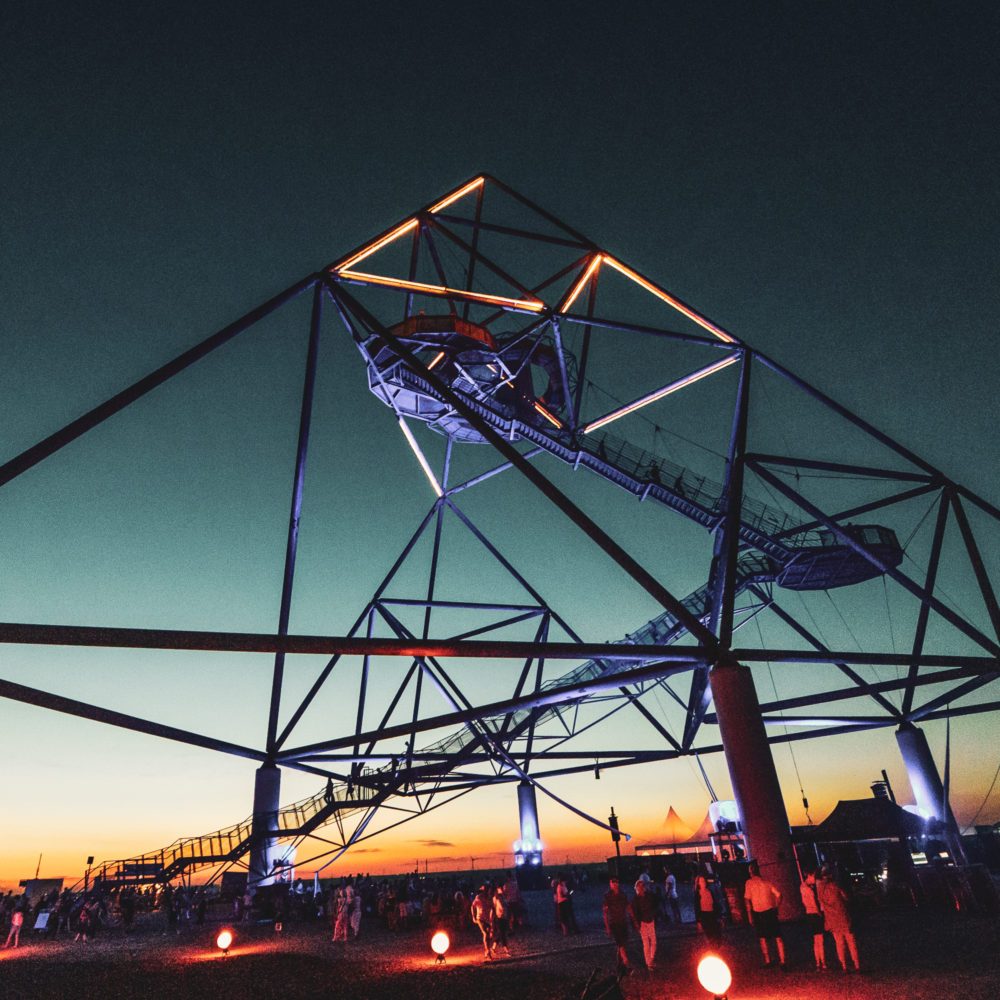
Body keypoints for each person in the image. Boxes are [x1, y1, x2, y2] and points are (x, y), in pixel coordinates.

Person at [817, 866, 861, 972]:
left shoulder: (820, 891)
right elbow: (846, 897)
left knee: (839, 943)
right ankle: (857, 965)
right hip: (843, 917)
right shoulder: (836, 886)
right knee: (851, 942)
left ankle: (844, 966)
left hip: (832, 920)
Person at [743, 861, 786, 969]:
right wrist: (776, 906)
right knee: (778, 936)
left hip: (758, 913)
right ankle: (783, 960)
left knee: (762, 937)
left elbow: (747, 900)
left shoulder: (749, 883)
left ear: (750, 872)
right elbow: (779, 895)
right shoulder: (767, 882)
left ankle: (768, 960)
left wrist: (749, 916)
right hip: (770, 911)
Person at [602, 875, 633, 977]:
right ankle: (627, 964)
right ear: (610, 884)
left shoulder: (622, 895)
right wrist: (607, 926)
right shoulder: (607, 896)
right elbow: (605, 912)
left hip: (623, 922)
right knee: (620, 944)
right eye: (612, 882)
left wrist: (633, 919)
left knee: (622, 945)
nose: (615, 884)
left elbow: (628, 907)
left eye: (616, 882)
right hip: (614, 923)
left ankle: (619, 966)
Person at [629, 879, 658, 973]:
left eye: (643, 886)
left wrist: (654, 915)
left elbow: (655, 904)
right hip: (642, 923)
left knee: (653, 942)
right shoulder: (635, 900)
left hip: (650, 920)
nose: (641, 888)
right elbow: (633, 913)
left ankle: (651, 959)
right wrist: (636, 925)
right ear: (636, 888)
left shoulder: (649, 896)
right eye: (639, 886)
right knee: (646, 943)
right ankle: (649, 963)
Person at [800, 871, 826, 970]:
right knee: (820, 939)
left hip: (809, 914)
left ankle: (818, 962)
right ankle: (823, 962)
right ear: (809, 875)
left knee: (816, 940)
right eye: (814, 876)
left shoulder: (802, 886)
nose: (814, 879)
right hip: (815, 914)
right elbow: (813, 902)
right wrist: (819, 912)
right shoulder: (809, 889)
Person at [694, 867, 722, 946]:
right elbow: (696, 907)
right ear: (699, 883)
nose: (703, 882)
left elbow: (715, 903)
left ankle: (716, 948)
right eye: (701, 881)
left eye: (703, 881)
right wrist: (698, 921)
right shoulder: (698, 894)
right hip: (704, 915)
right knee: (709, 934)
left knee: (716, 933)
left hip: (712, 914)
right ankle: (711, 949)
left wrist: (719, 916)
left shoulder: (710, 891)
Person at [470, 885, 495, 960]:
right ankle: (488, 952)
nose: (487, 891)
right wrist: (473, 917)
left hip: (487, 919)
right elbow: (472, 906)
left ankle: (486, 950)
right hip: (480, 918)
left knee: (489, 936)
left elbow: (492, 908)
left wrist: (492, 919)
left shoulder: (490, 898)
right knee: (485, 933)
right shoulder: (479, 897)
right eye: (486, 890)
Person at [492, 884, 511, 956]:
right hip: (499, 917)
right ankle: (506, 950)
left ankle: (493, 948)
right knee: (502, 934)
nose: (501, 890)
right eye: (500, 889)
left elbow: (506, 906)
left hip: (504, 917)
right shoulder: (496, 898)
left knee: (501, 934)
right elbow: (498, 907)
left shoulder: (503, 897)